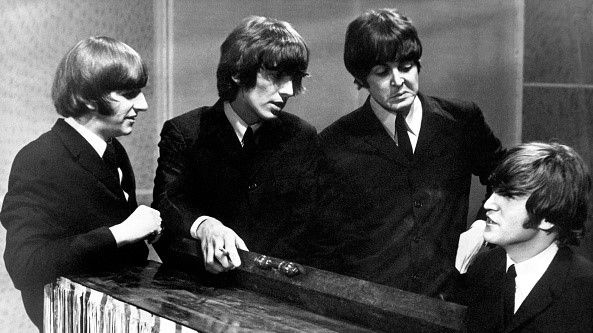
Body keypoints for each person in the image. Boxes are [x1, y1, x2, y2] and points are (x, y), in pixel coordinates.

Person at [319, 8, 505, 295]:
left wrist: (483, 225)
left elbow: (504, 174)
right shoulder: (335, 142)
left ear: (417, 65)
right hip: (370, 305)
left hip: (449, 298)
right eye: (382, 72)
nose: (398, 81)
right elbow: (325, 240)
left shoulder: (461, 120)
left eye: (406, 67)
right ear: (361, 79)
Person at [1, 36, 162, 330]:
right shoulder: (38, 158)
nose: (144, 105)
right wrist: (120, 233)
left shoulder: (114, 149)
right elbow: (24, 266)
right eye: (129, 93)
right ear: (89, 97)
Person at [153, 16, 333, 274]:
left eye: (294, 78)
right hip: (201, 291)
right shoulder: (185, 132)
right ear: (237, 73)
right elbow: (166, 203)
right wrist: (205, 225)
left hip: (278, 294)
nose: (289, 91)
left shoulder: (302, 136)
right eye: (276, 76)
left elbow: (313, 228)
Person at [455, 142, 593, 332]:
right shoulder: (482, 267)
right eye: (495, 191)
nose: (488, 204)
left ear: (548, 218)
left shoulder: (585, 290)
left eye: (509, 196)